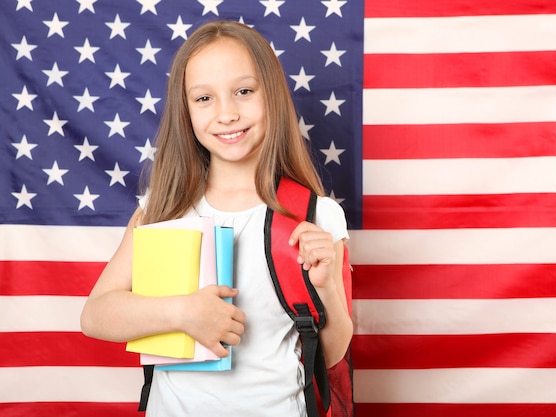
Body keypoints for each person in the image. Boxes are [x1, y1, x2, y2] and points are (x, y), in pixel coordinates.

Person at [80, 20, 353, 417]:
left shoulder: (317, 216)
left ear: (271, 97)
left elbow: (331, 354)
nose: (227, 114)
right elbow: (95, 315)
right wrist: (183, 312)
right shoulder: (164, 206)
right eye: (204, 99)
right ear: (185, 111)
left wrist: (325, 287)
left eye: (243, 91)